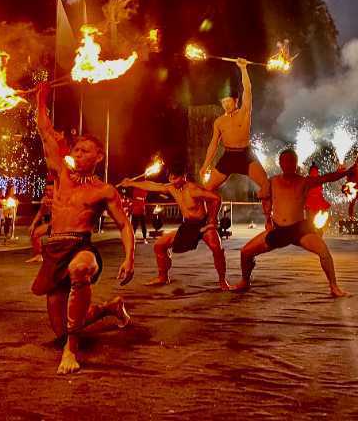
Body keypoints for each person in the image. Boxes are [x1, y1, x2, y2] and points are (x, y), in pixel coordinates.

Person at [32, 82, 135, 375]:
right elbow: (44, 132)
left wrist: (129, 258)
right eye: (76, 149)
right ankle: (110, 308)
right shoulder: (61, 176)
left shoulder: (104, 191)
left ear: (98, 157)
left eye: (85, 150)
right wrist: (40, 99)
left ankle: (72, 350)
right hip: (55, 250)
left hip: (81, 247)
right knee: (60, 327)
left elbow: (125, 226)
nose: (78, 154)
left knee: (80, 271)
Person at [232, 149, 354, 297]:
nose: (289, 164)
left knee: (324, 252)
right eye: (285, 161)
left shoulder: (304, 181)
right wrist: (267, 220)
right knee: (245, 252)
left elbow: (327, 177)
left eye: (292, 161)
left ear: (296, 163)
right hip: (278, 229)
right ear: (280, 163)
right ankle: (245, 280)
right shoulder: (273, 181)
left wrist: (347, 172)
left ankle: (334, 287)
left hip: (298, 229)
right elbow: (266, 200)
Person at [121, 164, 226, 289]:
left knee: (217, 249)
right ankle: (163, 277)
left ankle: (222, 281)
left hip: (202, 225)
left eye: (175, 178)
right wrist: (131, 183)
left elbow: (216, 198)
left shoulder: (193, 189)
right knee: (159, 246)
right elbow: (153, 186)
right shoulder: (172, 188)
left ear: (184, 176)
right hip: (187, 226)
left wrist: (212, 220)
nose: (172, 181)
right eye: (170, 178)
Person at [200, 59, 269, 211]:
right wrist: (205, 165)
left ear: (235, 100)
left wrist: (243, 68)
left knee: (266, 185)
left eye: (228, 101)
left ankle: (269, 220)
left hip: (246, 155)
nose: (226, 105)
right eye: (223, 102)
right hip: (228, 156)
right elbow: (213, 144)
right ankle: (211, 219)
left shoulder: (245, 112)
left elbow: (248, 90)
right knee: (206, 189)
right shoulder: (219, 122)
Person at [26, 183, 54, 263]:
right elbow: (40, 212)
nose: (47, 192)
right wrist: (33, 224)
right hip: (51, 224)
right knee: (35, 233)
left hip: (61, 224)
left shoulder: (60, 198)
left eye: (50, 190)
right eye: (46, 190)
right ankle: (38, 255)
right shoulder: (45, 199)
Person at [305, 164, 332, 230]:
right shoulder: (307, 179)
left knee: (318, 219)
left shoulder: (319, 179)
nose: (314, 173)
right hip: (310, 201)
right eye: (313, 171)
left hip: (318, 201)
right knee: (310, 220)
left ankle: (318, 231)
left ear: (317, 172)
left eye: (315, 171)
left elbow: (329, 178)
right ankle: (311, 231)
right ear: (310, 172)